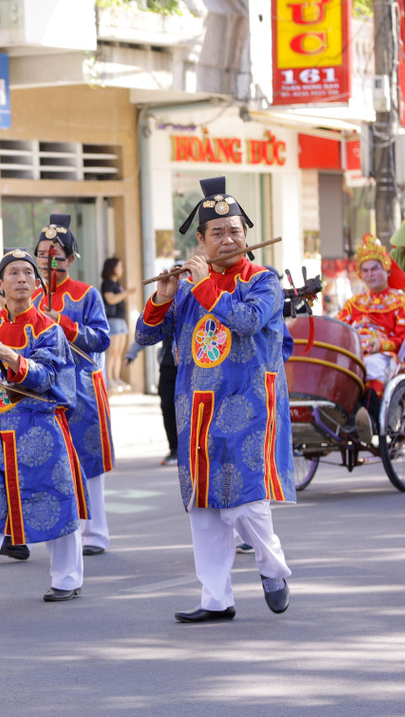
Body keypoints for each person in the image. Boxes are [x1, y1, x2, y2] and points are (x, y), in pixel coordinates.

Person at [135, 176, 295, 624]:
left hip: (247, 403)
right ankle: (216, 598)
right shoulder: (186, 285)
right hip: (197, 408)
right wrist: (163, 298)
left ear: (246, 235)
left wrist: (205, 286)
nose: (228, 239)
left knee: (245, 499)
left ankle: (272, 567)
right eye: (217, 233)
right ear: (201, 241)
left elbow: (245, 321)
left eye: (235, 231)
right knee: (203, 506)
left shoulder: (263, 281)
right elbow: (147, 335)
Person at [0, 248, 86, 604]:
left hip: (38, 431)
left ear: (37, 284)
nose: (22, 278)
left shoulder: (50, 329)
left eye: (28, 273)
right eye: (13, 273)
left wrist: (11, 357)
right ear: (0, 284)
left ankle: (67, 577)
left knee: (55, 502)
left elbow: (45, 377)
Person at [34, 214, 114, 557]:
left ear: (69, 258)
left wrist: (63, 324)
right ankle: (56, 529)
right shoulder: (30, 294)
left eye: (54, 254)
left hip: (81, 386)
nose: (47, 260)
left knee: (88, 458)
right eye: (40, 253)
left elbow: (101, 339)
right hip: (43, 388)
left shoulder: (87, 294)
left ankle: (95, 532)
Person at [337, 233, 405, 437]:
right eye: (365, 270)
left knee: (372, 365)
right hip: (355, 354)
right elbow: (339, 331)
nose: (370, 274)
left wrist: (380, 346)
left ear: (387, 270)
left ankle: (371, 420)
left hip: (386, 357)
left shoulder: (402, 303)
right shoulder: (353, 303)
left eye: (375, 268)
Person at [125, 263, 182, 465]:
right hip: (168, 364)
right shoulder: (169, 302)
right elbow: (144, 334)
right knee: (167, 406)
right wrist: (131, 354)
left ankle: (185, 449)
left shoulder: (195, 298)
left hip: (188, 367)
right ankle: (174, 449)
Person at [100, 257, 134, 392]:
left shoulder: (117, 283)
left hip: (120, 319)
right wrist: (126, 293)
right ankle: (109, 379)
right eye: (119, 266)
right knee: (112, 351)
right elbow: (110, 299)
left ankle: (116, 377)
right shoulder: (107, 283)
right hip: (112, 320)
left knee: (119, 351)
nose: (121, 269)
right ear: (112, 268)